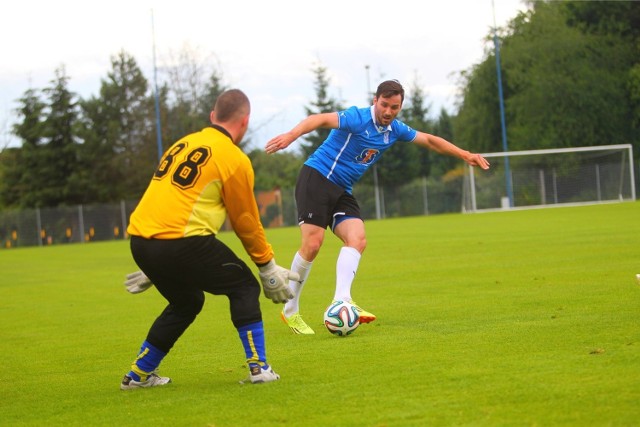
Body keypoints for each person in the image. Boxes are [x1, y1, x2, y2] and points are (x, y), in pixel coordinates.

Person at [265, 79, 490, 335]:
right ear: (375, 101)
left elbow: (428, 140)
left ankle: (342, 301)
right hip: (317, 178)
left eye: (394, 107)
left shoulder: (395, 129)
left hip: (342, 189)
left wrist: (465, 154)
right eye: (384, 105)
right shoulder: (356, 118)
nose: (388, 112)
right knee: (313, 244)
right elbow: (319, 119)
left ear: (400, 107)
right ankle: (290, 311)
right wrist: (291, 136)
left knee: (357, 239)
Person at [120, 89, 299, 390]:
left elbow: (164, 198)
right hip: (182, 242)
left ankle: (138, 375)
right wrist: (267, 267)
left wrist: (155, 262)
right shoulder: (233, 158)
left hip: (141, 239)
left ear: (213, 116)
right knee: (243, 286)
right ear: (245, 122)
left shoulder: (183, 143)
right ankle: (259, 368)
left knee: (186, 301)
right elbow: (245, 221)